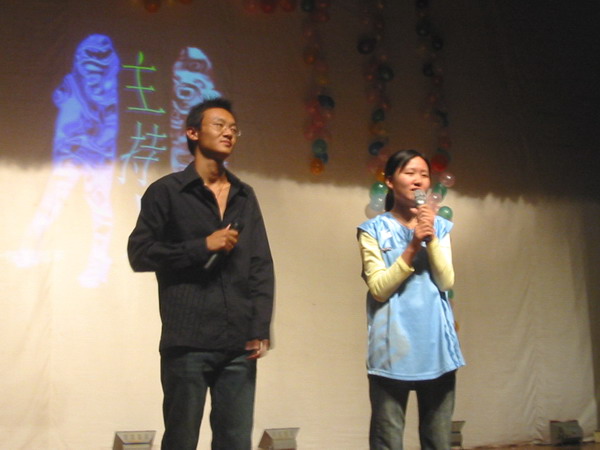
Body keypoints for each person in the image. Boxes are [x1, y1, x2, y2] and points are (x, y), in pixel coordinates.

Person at [127, 98, 275, 450]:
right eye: (219, 125)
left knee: (235, 440)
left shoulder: (244, 195)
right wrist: (201, 246)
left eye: (234, 129)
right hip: (187, 340)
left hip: (238, 341)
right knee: (181, 438)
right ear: (193, 133)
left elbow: (260, 263)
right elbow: (139, 253)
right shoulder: (166, 192)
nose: (229, 133)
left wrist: (259, 326)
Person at [357, 149, 464, 450]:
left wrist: (430, 239)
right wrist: (412, 246)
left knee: (438, 438)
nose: (418, 181)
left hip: (436, 343)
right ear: (390, 181)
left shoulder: (439, 227)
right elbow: (379, 289)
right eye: (409, 173)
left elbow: (446, 281)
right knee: (388, 438)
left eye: (424, 175)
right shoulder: (372, 231)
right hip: (392, 346)